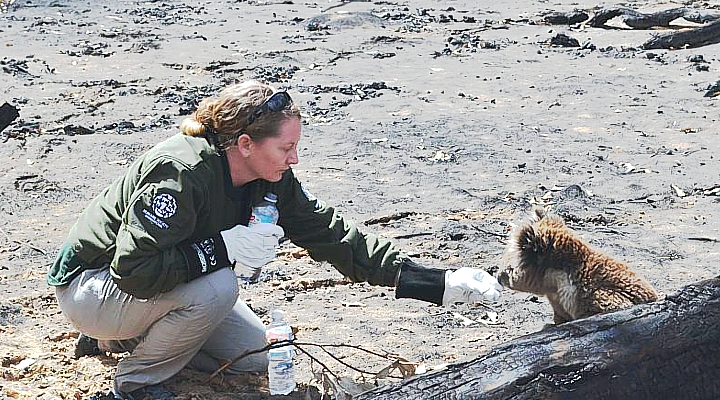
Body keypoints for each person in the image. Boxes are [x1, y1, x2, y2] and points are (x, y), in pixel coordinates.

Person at [47, 80, 503, 400]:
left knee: (255, 358)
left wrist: (433, 282)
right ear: (245, 143)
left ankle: (124, 340)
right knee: (220, 286)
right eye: (286, 148)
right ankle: (135, 382)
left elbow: (331, 235)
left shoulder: (271, 179)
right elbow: (135, 271)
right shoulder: (182, 173)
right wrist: (220, 249)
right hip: (93, 287)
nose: (295, 158)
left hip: (146, 289)